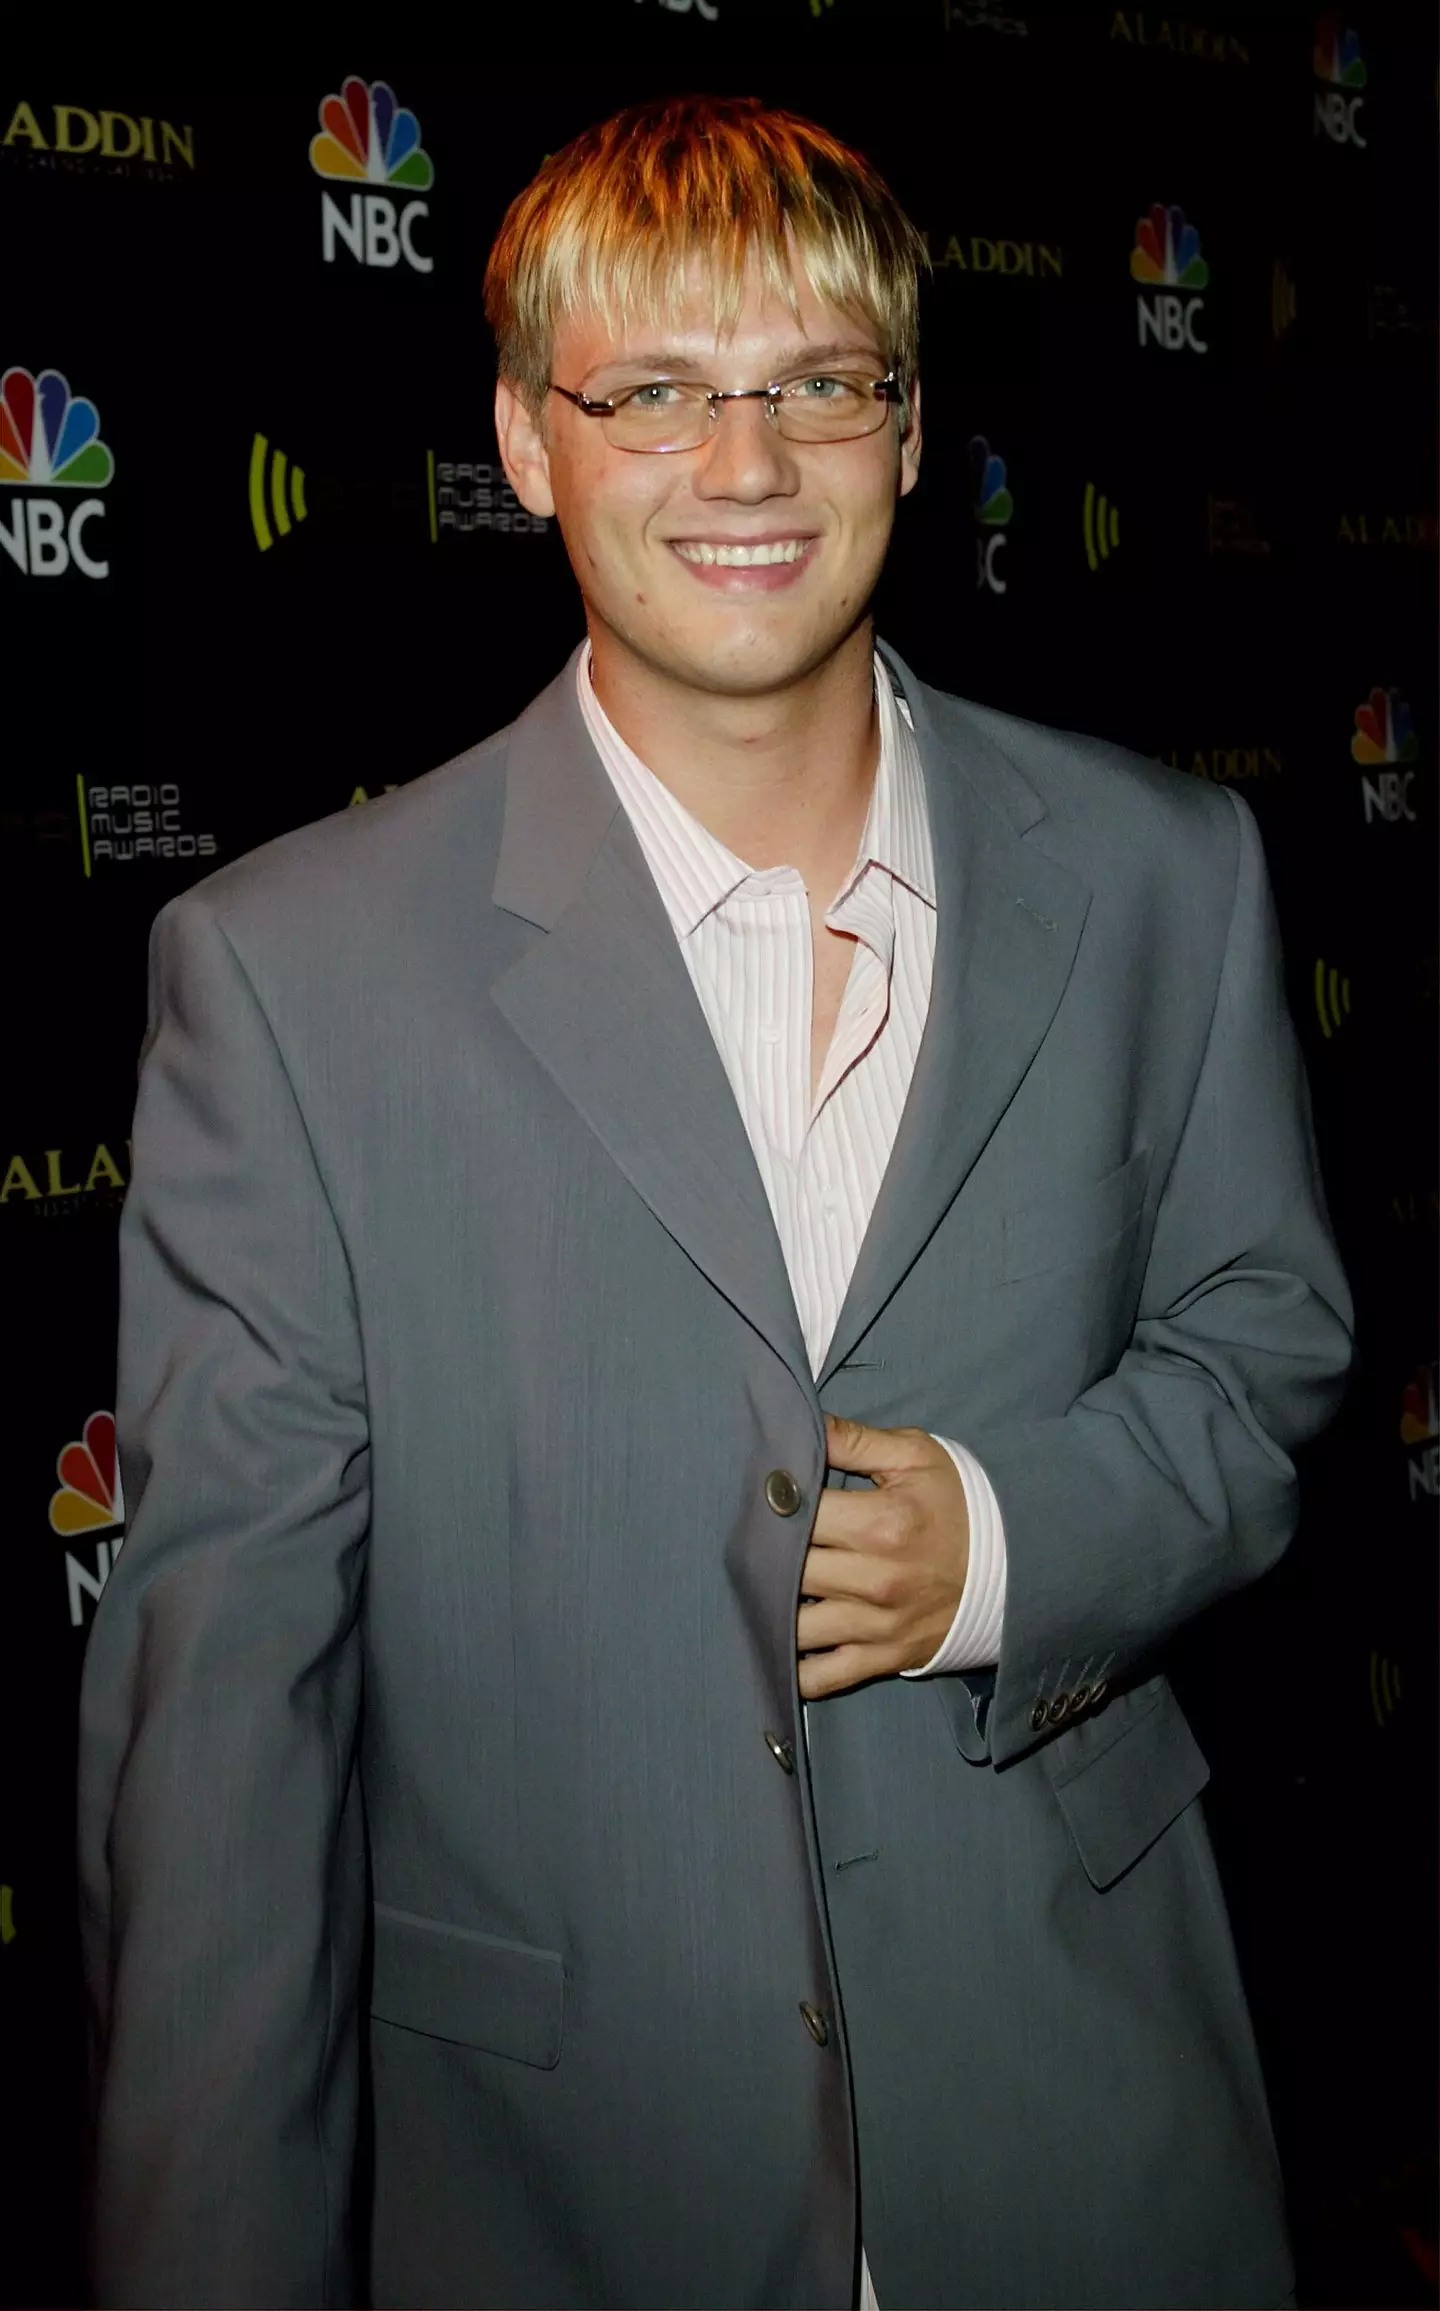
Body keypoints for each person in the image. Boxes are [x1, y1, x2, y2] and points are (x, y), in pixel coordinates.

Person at [78, 94, 1352, 2311]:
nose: (744, 466)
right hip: (562, 2189)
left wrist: (1022, 1539)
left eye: (813, 387)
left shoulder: (1170, 876)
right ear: (529, 437)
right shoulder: (289, 979)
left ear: (910, 421)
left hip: (1097, 2139)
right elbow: (226, 1732)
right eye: (656, 391)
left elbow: (1268, 1340)